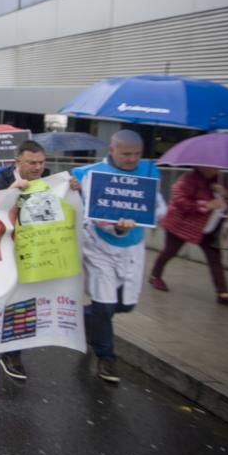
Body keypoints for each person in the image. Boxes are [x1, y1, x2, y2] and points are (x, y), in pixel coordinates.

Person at [72, 130, 166, 384]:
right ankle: (107, 358)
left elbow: (159, 207)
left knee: (125, 304)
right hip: (99, 247)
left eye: (137, 154)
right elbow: (96, 211)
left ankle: (84, 318)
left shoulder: (147, 172)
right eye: (126, 154)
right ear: (112, 150)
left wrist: (147, 216)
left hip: (132, 248)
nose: (132, 159)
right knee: (104, 303)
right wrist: (117, 227)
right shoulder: (90, 175)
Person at [0, 140, 80, 382]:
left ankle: (12, 353)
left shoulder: (53, 181)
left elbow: (67, 207)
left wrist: (73, 190)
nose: (38, 167)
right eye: (32, 162)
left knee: (24, 302)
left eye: (41, 162)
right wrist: (11, 192)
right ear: (17, 162)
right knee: (6, 302)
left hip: (36, 253)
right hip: (5, 252)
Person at [150, 167, 228, 307]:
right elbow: (179, 199)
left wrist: (226, 194)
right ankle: (155, 275)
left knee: (215, 258)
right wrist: (206, 204)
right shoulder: (189, 178)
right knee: (170, 251)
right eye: (211, 166)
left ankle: (223, 293)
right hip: (181, 224)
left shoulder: (220, 180)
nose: (214, 169)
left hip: (208, 228)